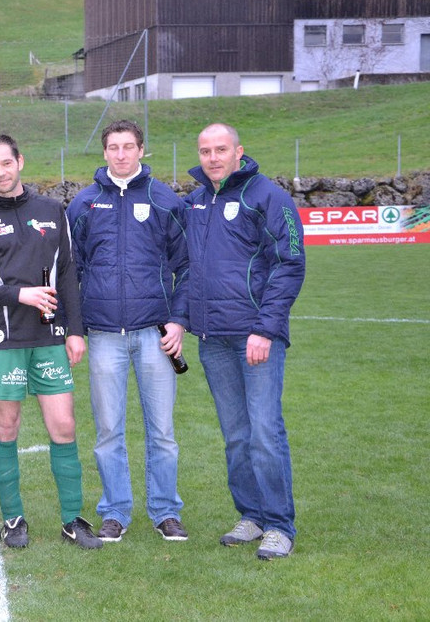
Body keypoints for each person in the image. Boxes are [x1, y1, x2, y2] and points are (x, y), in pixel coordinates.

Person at [0, 134, 102, 550]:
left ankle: (73, 519)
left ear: (20, 161)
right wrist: (18, 294)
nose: (1, 172)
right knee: (7, 426)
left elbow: (68, 271)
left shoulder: (52, 211)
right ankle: (14, 518)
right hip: (1, 339)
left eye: (7, 163)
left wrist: (75, 329)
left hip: (49, 336)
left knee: (64, 426)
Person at [184, 123, 306, 560]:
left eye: (221, 149)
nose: (213, 158)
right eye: (205, 151)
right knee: (236, 435)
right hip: (213, 339)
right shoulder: (195, 202)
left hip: (255, 337)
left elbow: (290, 263)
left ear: (239, 152)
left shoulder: (268, 196)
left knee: (265, 433)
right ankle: (251, 515)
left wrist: (265, 329)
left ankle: (279, 525)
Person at [66, 119, 190, 543]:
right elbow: (70, 271)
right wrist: (74, 328)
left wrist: (179, 320)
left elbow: (186, 267)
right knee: (108, 431)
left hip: (156, 334)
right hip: (103, 335)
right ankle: (115, 511)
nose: (121, 154)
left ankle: (166, 510)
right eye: (113, 147)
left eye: (128, 146)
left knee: (163, 432)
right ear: (104, 152)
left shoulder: (164, 200)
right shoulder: (84, 204)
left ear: (141, 150)